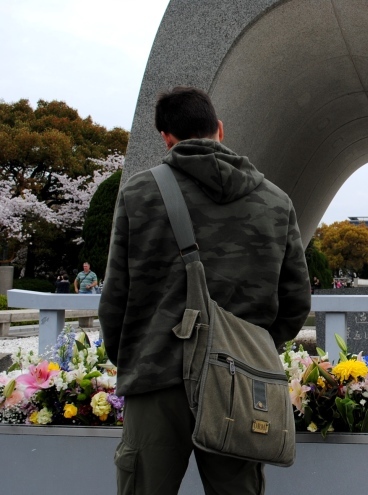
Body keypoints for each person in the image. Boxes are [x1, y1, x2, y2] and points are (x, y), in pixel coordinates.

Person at [99, 86, 311, 494]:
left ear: (166, 136)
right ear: (219, 128)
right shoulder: (275, 201)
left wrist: (134, 355)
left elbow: (115, 299)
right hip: (238, 383)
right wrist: (251, 348)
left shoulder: (140, 194)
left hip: (156, 376)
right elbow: (296, 300)